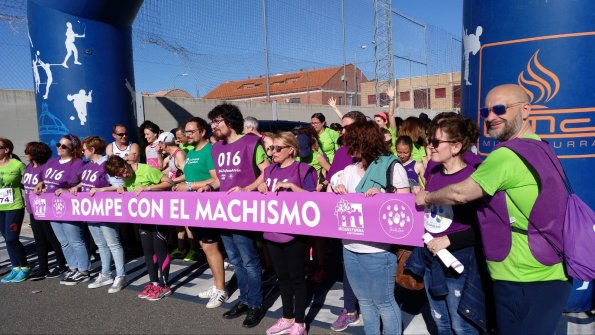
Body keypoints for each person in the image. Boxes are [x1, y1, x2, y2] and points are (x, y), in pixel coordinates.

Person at [415, 84, 571, 334]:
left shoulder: (507, 156)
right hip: (548, 271)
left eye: (500, 109)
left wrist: (428, 196)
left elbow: (460, 193)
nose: (490, 117)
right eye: (486, 111)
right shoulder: (541, 146)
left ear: (526, 110)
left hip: (523, 276)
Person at [410, 114, 486, 334]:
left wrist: (449, 240)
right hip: (431, 259)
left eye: (435, 142)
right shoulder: (433, 171)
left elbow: (483, 227)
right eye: (429, 141)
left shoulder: (473, 178)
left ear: (456, 147)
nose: (429, 147)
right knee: (441, 322)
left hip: (459, 262)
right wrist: (420, 192)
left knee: (462, 326)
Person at [331, 121, 408, 335]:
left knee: (384, 302)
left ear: (365, 142)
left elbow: (405, 206)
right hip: (349, 246)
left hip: (379, 250)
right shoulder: (348, 170)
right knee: (364, 301)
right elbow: (334, 204)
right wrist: (335, 191)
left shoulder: (393, 166)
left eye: (352, 142)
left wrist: (383, 197)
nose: (347, 147)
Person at [200, 103, 269, 328]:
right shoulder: (217, 147)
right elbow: (222, 179)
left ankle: (256, 304)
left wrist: (248, 189)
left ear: (229, 122)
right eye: (212, 122)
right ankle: (245, 300)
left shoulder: (251, 143)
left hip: (245, 212)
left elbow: (268, 171)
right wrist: (210, 186)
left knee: (249, 260)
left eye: (217, 121)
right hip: (224, 212)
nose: (213, 126)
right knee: (235, 260)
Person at [258, 131, 317, 335]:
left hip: (294, 232)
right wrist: (261, 188)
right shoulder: (270, 170)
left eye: (277, 148)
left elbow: (313, 198)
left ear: (291, 149)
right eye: (271, 148)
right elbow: (261, 191)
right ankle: (287, 316)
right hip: (273, 231)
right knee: (281, 277)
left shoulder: (303, 169)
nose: (272, 152)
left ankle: (300, 322)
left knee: (297, 277)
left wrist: (292, 186)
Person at [172, 116, 227, 308]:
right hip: (193, 208)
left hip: (208, 207)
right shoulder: (191, 152)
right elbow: (190, 176)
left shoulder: (210, 150)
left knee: (211, 247)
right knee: (204, 246)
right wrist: (174, 183)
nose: (187, 135)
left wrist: (189, 186)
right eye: (185, 131)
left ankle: (221, 290)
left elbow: (216, 179)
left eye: (191, 131)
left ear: (202, 132)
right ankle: (216, 285)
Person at [104, 155, 175, 301]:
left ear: (125, 163)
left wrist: (148, 187)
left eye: (123, 171)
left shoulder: (145, 169)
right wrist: (122, 188)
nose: (124, 175)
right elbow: (132, 189)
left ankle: (164, 285)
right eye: (120, 175)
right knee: (148, 252)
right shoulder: (125, 177)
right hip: (143, 218)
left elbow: (169, 182)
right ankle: (154, 283)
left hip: (160, 216)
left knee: (160, 249)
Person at [69, 136, 127, 293]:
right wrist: (77, 186)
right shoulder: (89, 166)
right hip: (90, 211)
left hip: (106, 211)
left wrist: (101, 190)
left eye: (84, 149)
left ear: (92, 149)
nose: (82, 152)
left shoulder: (108, 163)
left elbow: (120, 186)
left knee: (113, 244)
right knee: (101, 245)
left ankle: (121, 276)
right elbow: (87, 182)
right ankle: (106, 273)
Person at [326, 111, 367, 332]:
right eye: (342, 128)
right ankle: (349, 309)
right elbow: (332, 176)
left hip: (371, 222)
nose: (343, 132)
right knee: (349, 265)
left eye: (348, 127)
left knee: (371, 268)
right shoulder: (342, 152)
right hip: (347, 220)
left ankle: (371, 308)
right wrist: (336, 183)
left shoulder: (375, 151)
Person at [34, 134, 89, 285]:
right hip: (53, 206)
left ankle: (83, 270)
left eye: (64, 146)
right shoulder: (52, 162)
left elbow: (86, 181)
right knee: (63, 241)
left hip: (69, 206)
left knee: (75, 240)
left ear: (72, 149)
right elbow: (46, 178)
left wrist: (73, 188)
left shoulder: (77, 163)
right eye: (58, 144)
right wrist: (41, 183)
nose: (59, 148)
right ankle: (73, 268)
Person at [22, 142, 68, 280]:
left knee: (51, 238)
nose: (25, 153)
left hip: (44, 208)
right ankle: (43, 268)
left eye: (27, 151)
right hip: (32, 208)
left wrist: (43, 188)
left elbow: (50, 186)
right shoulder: (29, 167)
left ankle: (61, 265)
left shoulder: (45, 168)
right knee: (39, 240)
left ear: (35, 154)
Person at [0, 138, 30, 283]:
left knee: (12, 238)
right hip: (0, 208)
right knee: (7, 239)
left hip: (14, 206)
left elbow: (29, 180)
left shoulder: (17, 164)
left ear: (6, 150)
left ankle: (24, 267)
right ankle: (15, 268)